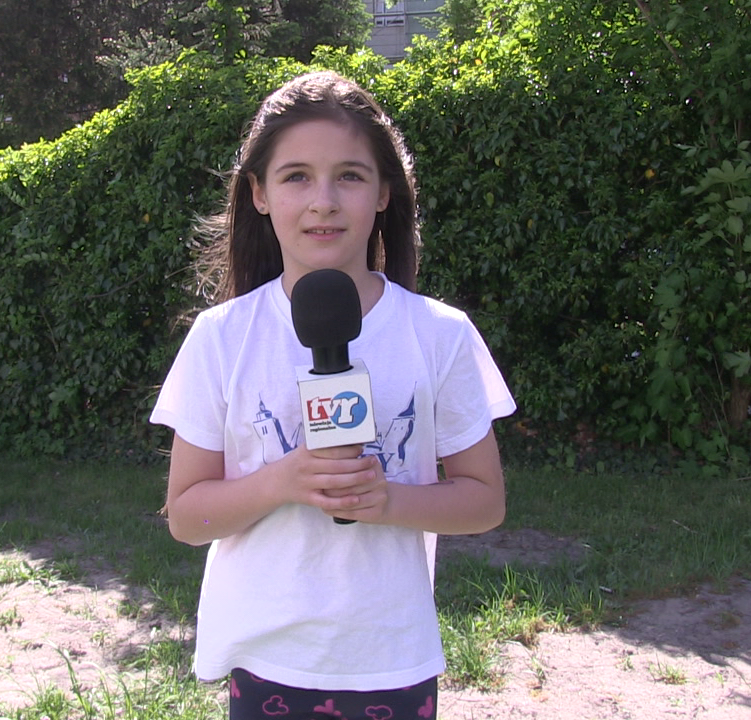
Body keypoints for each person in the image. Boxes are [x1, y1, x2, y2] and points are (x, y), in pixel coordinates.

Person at [150, 70, 516, 720]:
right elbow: (186, 518)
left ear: (383, 192)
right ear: (259, 193)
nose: (323, 201)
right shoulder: (221, 339)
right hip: (267, 660)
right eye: (296, 176)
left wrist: (388, 500)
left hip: (392, 657)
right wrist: (284, 480)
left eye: (349, 175)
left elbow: (484, 502)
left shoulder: (440, 334)